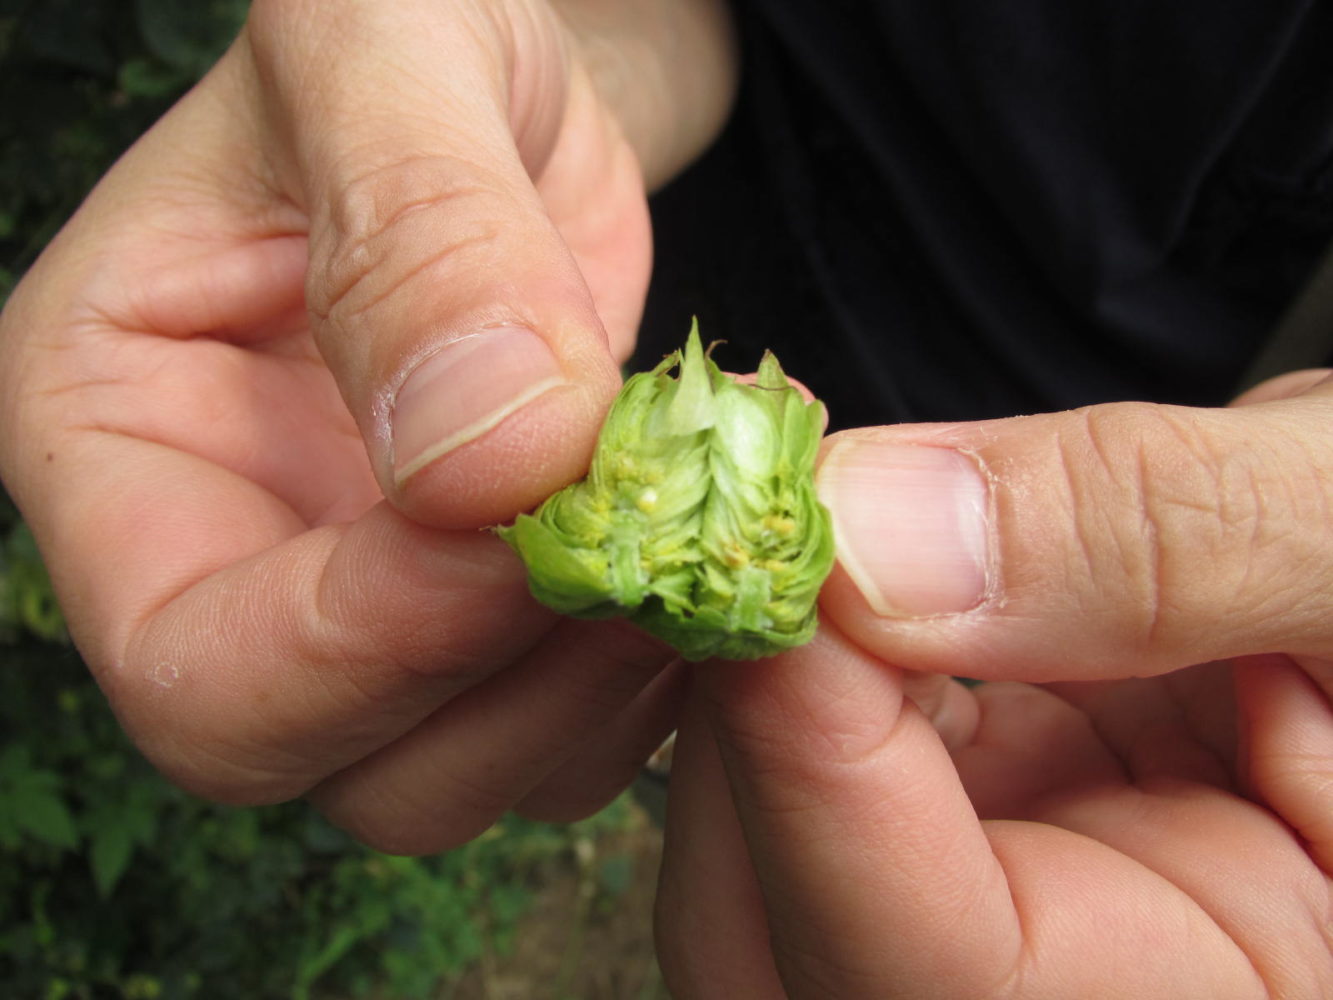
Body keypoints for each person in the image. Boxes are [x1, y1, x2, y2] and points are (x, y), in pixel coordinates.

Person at [1, 0, 1331, 995]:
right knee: (679, 765)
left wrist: (1249, 533)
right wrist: (570, 69)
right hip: (617, 308)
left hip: (1117, 663)